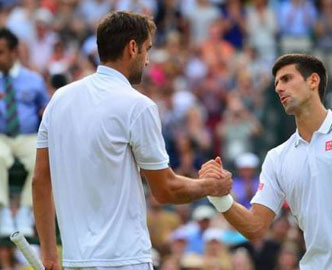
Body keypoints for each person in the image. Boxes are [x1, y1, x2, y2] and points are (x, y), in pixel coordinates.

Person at [32, 11, 232, 270]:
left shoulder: (59, 100)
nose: (147, 61)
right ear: (132, 47)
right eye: (147, 49)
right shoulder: (139, 106)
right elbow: (166, 189)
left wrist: (49, 255)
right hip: (124, 261)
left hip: (74, 261)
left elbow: (40, 180)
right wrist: (210, 186)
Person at [200, 54, 332, 270]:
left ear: (313, 81)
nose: (278, 88)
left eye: (286, 79)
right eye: (276, 83)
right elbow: (256, 227)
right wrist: (220, 198)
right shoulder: (276, 158)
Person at [0, 28, 49, 238]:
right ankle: (3, 213)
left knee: (40, 160)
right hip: (1, 136)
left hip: (28, 136)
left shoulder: (34, 80)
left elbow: (45, 111)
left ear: (14, 52)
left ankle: (26, 213)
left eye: (1, 51)